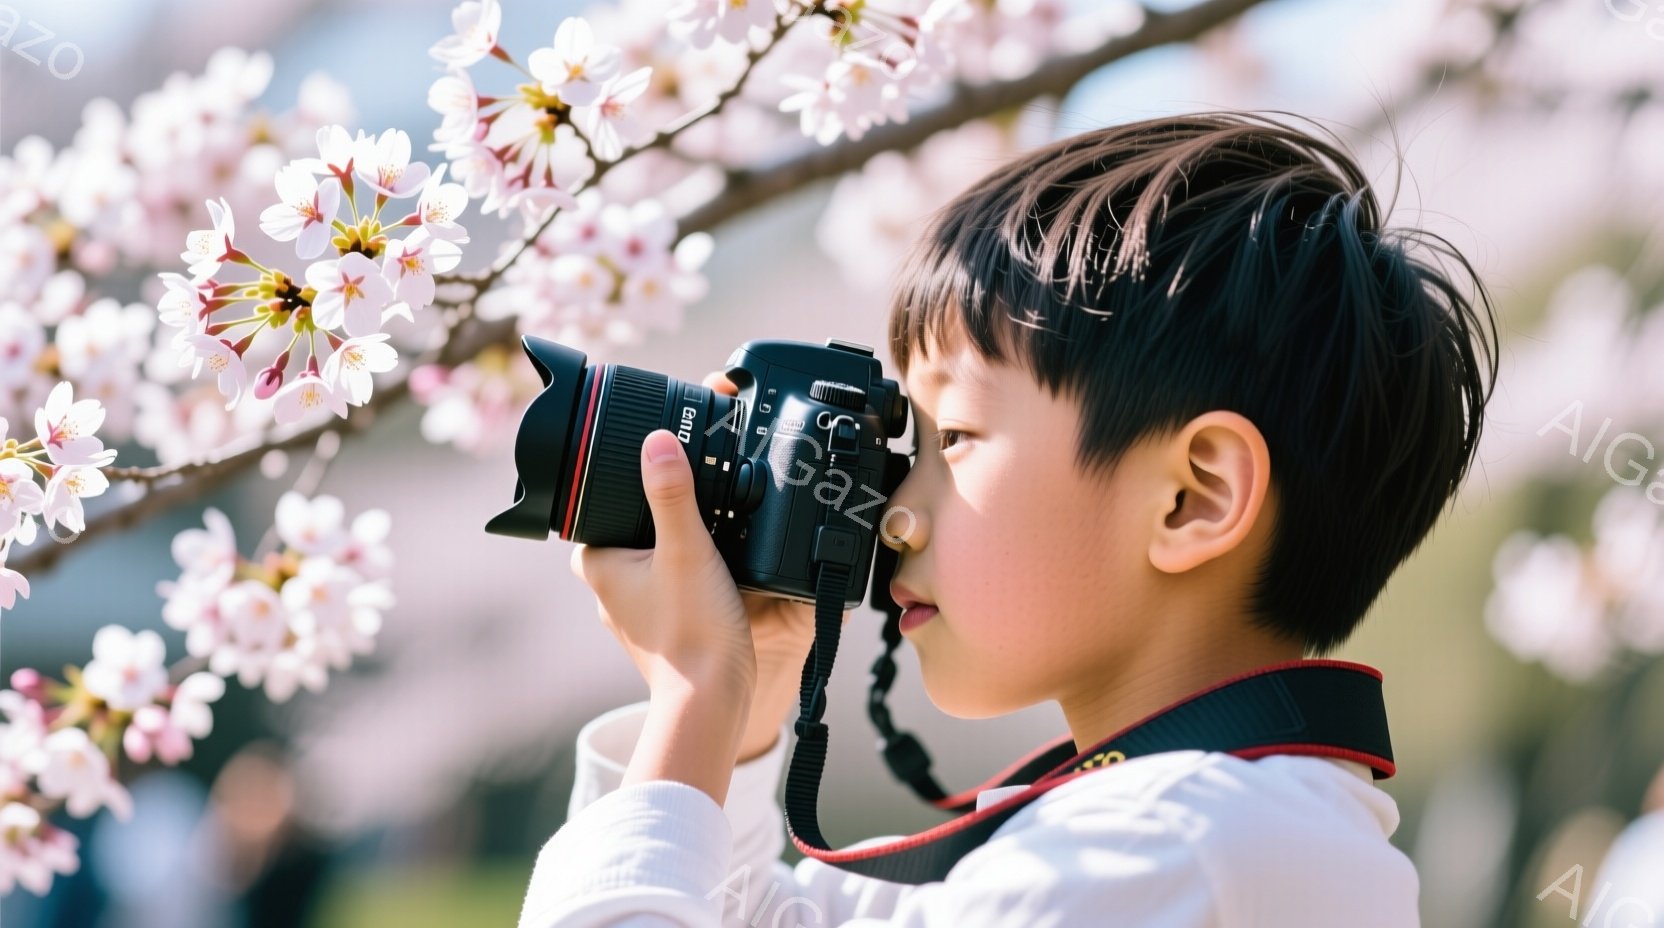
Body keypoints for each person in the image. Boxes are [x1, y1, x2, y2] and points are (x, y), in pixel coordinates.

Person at [518, 111, 1499, 927]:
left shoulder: (1165, 843)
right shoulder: (1203, 831)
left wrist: (693, 691)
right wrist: (740, 715)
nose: (894, 511)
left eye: (953, 437)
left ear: (1190, 495)